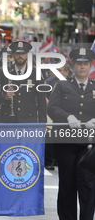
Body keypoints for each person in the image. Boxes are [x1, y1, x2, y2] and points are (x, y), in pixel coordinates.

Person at [48, 48, 95, 220]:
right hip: (65, 142)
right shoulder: (62, 85)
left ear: (90, 66)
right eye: (79, 64)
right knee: (67, 184)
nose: (82, 67)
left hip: (89, 145)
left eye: (85, 64)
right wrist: (67, 117)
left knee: (88, 184)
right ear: (73, 65)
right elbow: (52, 108)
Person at [0, 41, 47, 123]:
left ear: (27, 55)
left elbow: (41, 100)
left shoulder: (35, 73)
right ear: (13, 55)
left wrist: (43, 123)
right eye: (17, 53)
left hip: (29, 119)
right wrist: (5, 97)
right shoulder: (4, 72)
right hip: (9, 119)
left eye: (23, 53)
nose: (20, 56)